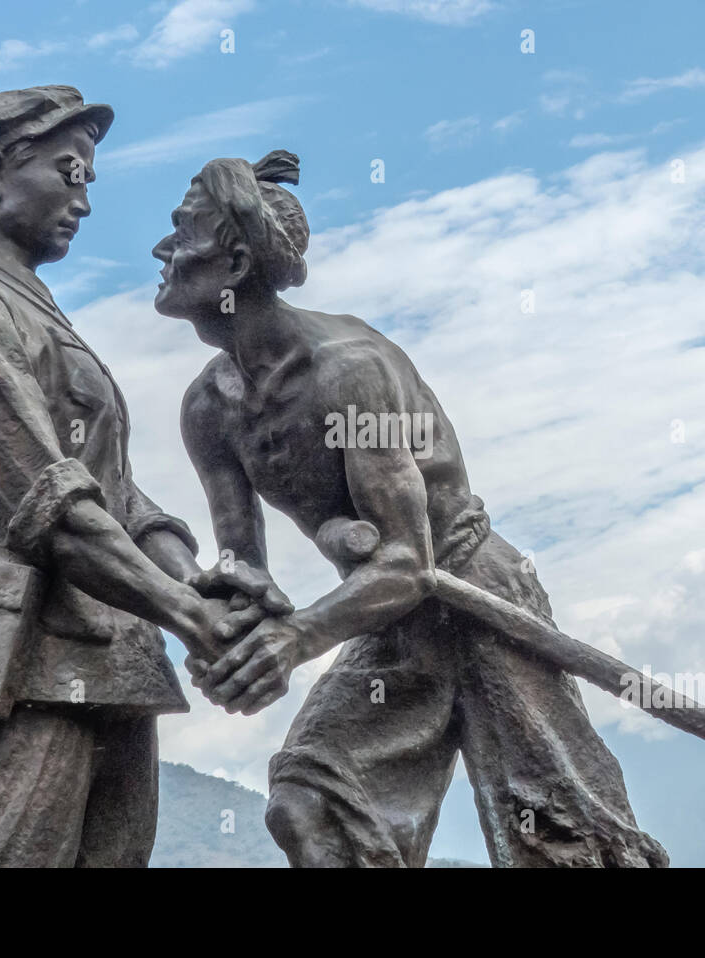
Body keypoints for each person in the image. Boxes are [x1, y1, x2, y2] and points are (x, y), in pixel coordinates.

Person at [154, 149, 669, 867]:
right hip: (386, 619)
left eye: (182, 232)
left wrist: (296, 640)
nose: (162, 249)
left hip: (476, 597)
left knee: (560, 842)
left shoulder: (351, 369)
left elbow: (408, 558)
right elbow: (247, 569)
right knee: (308, 810)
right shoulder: (209, 409)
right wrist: (230, 629)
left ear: (235, 264)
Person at [0, 87, 278, 867]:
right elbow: (50, 505)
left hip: (115, 662)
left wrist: (195, 580)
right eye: (70, 174)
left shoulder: (34, 312)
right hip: (19, 670)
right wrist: (188, 615)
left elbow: (119, 495)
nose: (85, 201)